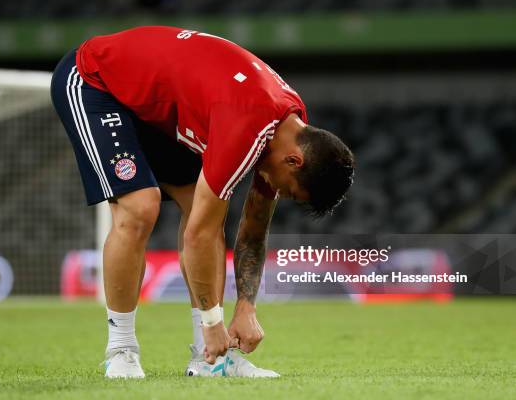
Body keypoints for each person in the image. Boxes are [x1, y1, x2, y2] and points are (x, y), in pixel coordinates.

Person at [50, 26, 354, 378]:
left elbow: (253, 232)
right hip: (95, 81)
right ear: (294, 162)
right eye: (288, 190)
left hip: (157, 106)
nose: (278, 194)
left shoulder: (290, 130)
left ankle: (210, 359)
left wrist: (246, 307)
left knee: (201, 205)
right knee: (141, 207)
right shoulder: (249, 125)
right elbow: (199, 235)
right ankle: (121, 350)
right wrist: (214, 321)